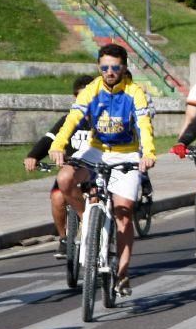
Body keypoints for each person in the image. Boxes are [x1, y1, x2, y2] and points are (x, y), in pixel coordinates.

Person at [49, 44, 156, 297]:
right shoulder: (91, 89)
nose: (109, 72)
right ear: (99, 67)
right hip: (96, 150)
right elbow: (73, 118)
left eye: (115, 67)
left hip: (126, 153)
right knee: (65, 179)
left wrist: (148, 153)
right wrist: (58, 144)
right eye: (105, 67)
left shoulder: (135, 92)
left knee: (124, 213)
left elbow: (143, 124)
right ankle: (87, 216)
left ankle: (123, 271)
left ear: (124, 67)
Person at [24, 74, 95, 257]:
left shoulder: (102, 120)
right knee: (57, 198)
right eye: (81, 97)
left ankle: (95, 231)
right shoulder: (68, 120)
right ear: (75, 98)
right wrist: (33, 155)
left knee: (96, 198)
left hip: (94, 170)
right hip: (72, 168)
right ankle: (64, 238)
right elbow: (50, 139)